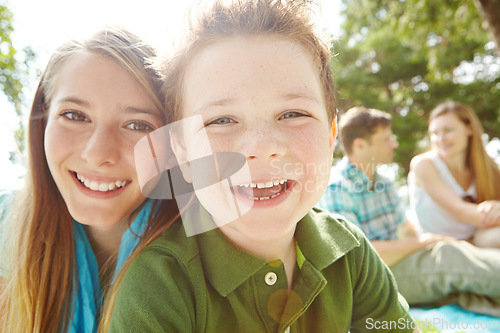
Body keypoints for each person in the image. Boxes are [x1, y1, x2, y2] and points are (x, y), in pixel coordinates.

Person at [102, 1, 419, 332]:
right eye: (221, 120)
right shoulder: (159, 287)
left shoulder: (350, 251)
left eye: (293, 114)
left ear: (330, 137)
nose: (263, 148)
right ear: (183, 153)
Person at [0, 27, 179, 332]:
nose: (98, 154)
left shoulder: (204, 256)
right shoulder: (6, 224)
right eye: (76, 115)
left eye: (137, 124)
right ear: (43, 120)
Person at [317, 106, 500, 317]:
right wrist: (425, 242)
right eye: (386, 139)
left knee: (464, 289)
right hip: (370, 280)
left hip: (397, 266)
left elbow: (405, 231)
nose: (394, 143)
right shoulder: (337, 187)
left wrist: (424, 242)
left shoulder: (383, 184)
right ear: (360, 145)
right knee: (447, 258)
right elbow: (360, 258)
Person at [409, 100, 500, 248]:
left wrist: (495, 207)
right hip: (441, 247)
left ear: (469, 129)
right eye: (435, 133)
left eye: (448, 130)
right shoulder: (423, 165)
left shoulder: (488, 168)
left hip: (477, 239)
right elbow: (459, 211)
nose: (441, 138)